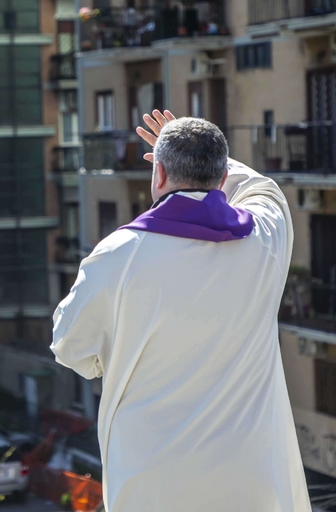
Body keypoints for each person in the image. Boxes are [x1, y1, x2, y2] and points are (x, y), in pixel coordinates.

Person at [51, 111, 312, 512]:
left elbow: (69, 345)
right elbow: (264, 188)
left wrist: (116, 357)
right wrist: (209, 157)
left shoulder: (117, 257)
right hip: (251, 479)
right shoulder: (266, 237)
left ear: (157, 175)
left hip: (153, 482)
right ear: (223, 177)